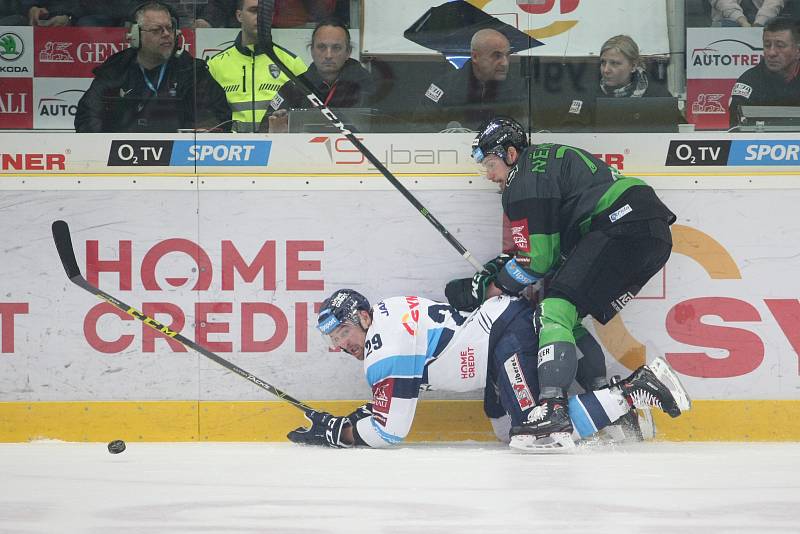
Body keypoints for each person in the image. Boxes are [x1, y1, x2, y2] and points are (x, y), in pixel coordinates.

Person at [467, 116, 677, 449]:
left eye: (491, 165)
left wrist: (498, 286)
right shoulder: (545, 160)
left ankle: (553, 409)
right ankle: (613, 411)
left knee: (553, 312)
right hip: (651, 232)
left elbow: (538, 260)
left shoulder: (521, 179)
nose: (490, 177)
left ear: (510, 154)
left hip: (619, 225)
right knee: (565, 316)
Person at [286, 289, 690, 452]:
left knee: (537, 434)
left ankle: (637, 388)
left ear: (361, 316)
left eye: (342, 332)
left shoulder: (382, 345)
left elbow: (390, 432)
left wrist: (338, 432)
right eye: (334, 339)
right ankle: (615, 411)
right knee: (504, 429)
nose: (340, 346)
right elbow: (392, 397)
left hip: (502, 339)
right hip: (496, 341)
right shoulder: (389, 310)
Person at [74, 1, 230, 132]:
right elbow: (87, 116)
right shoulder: (116, 70)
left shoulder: (191, 70)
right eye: (157, 30)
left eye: (170, 28)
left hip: (180, 160)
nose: (167, 34)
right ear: (135, 36)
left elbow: (217, 117)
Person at [207, 0, 307, 133]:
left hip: (277, 148)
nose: (260, 17)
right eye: (253, 11)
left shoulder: (292, 63)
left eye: (265, 13)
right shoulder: (215, 65)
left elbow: (306, 117)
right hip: (233, 149)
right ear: (239, 16)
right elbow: (208, 119)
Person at [261, 18, 375, 133]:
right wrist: (275, 132)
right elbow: (264, 129)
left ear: (348, 52)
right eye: (321, 47)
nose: (328, 55)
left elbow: (384, 126)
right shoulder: (294, 87)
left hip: (354, 149)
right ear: (312, 51)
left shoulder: (368, 85)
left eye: (336, 48)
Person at [411, 28, 529, 132]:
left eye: (507, 55)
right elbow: (419, 127)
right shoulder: (445, 86)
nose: (505, 63)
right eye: (497, 56)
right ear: (475, 57)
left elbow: (524, 130)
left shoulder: (516, 88)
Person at [728, 16, 800, 127]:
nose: (771, 53)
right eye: (767, 45)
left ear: (798, 51)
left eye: (780, 46)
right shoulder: (749, 81)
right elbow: (736, 130)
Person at [710, 0, 785, 27]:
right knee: (728, 24)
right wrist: (742, 21)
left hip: (763, 24)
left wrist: (759, 23)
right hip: (728, 22)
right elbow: (723, 3)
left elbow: (774, 3)